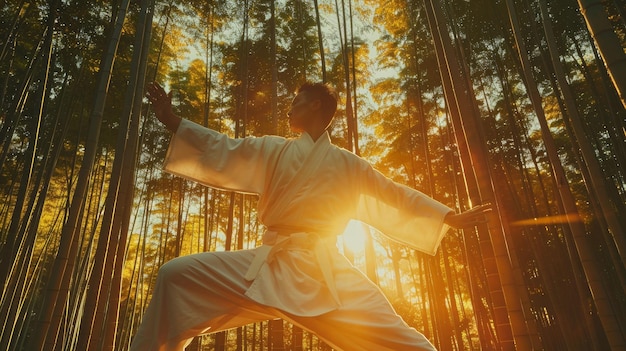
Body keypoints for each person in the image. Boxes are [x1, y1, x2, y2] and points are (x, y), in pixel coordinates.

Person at [131, 81, 491, 351]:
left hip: (324, 272)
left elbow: (393, 193)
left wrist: (447, 217)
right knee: (174, 275)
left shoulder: (348, 164)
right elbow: (224, 147)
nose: (289, 109)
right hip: (266, 265)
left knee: (403, 341)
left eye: (296, 102)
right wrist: (173, 121)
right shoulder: (274, 149)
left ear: (316, 105)